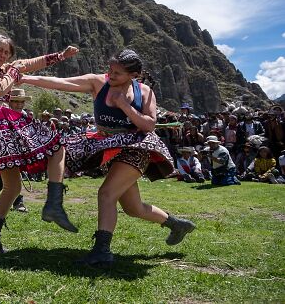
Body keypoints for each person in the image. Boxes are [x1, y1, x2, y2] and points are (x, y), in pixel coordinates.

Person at [21, 49, 195, 266]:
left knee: (106, 194)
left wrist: (125, 106)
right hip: (108, 146)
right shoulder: (97, 83)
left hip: (137, 147)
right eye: (110, 70)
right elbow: (60, 82)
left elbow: (149, 125)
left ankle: (102, 251)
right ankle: (177, 225)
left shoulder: (144, 91)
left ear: (134, 75)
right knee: (134, 208)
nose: (111, 76)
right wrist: (24, 77)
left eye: (117, 73)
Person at [0, 34, 79, 254]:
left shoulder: (4, 69)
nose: (4, 55)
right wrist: (13, 71)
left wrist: (61, 56)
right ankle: (53, 203)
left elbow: (30, 63)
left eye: (7, 53)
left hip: (0, 123)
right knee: (54, 144)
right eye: (0, 50)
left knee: (13, 187)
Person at [0, 88, 33, 213]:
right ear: (10, 102)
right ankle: (17, 202)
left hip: (19, 149)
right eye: (16, 102)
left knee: (10, 177)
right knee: (13, 176)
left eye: (22, 102)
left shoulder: (24, 115)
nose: (19, 105)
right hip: (4, 150)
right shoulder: (3, 114)